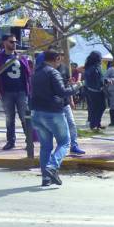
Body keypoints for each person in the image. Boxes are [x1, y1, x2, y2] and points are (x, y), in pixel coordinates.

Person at [30, 49, 81, 186]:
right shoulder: (53, 72)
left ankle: (46, 178)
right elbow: (62, 92)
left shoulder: (36, 73)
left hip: (37, 113)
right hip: (52, 113)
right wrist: (77, 86)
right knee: (65, 142)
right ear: (57, 59)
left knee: (45, 147)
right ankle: (52, 167)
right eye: (60, 59)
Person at [0, 34, 31, 150]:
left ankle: (29, 142)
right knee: (10, 118)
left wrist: (30, 88)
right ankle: (10, 141)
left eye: (15, 42)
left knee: (25, 117)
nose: (14, 44)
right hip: (6, 92)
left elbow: (28, 74)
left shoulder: (21, 57)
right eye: (11, 42)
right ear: (4, 43)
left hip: (21, 91)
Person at [84, 51, 106, 130]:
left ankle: (96, 124)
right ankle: (94, 125)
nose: (101, 58)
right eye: (100, 57)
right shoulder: (94, 68)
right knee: (99, 107)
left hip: (92, 90)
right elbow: (99, 80)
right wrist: (104, 83)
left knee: (96, 107)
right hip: (95, 91)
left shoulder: (90, 67)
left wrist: (105, 81)